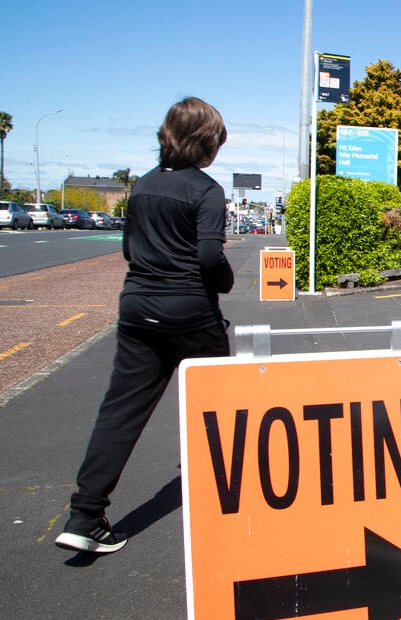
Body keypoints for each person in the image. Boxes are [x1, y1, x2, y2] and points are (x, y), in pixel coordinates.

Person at [55, 97, 234, 554]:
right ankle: (232, 505)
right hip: (189, 309)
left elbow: (130, 251)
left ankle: (85, 515)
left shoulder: (142, 186)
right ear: (207, 143)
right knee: (222, 406)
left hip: (138, 306)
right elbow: (210, 257)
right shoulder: (207, 191)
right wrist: (225, 279)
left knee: (122, 410)